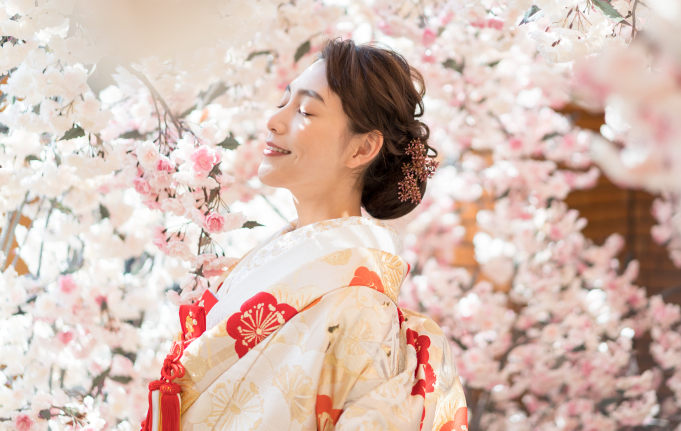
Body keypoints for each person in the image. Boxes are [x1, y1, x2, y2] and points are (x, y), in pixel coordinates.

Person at [141, 38, 468, 431]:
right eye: (283, 101)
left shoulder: (359, 307)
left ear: (363, 148)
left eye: (306, 110)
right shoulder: (272, 265)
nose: (274, 121)